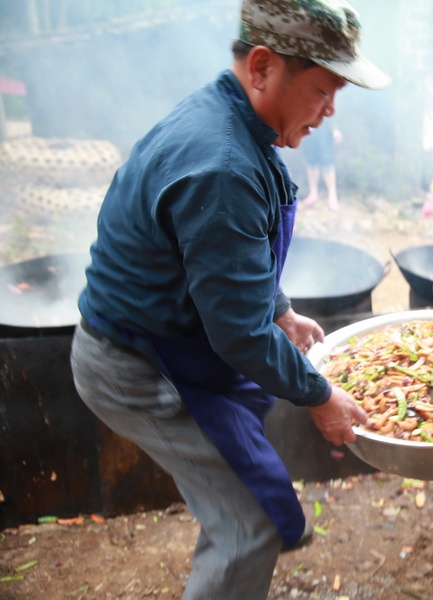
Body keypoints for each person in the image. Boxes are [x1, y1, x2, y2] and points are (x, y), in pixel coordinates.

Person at [69, 1, 389, 598]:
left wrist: (279, 309)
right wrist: (320, 396)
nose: (330, 110)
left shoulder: (235, 120)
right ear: (263, 67)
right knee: (253, 520)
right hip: (137, 366)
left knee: (238, 498)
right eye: (323, 89)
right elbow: (238, 333)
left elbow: (226, 254)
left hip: (170, 343)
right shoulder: (220, 162)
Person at [300, 120, 343, 211]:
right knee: (311, 160)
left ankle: (332, 196)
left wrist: (335, 128)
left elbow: (331, 110)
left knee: (327, 161)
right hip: (308, 126)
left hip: (324, 127)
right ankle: (313, 193)